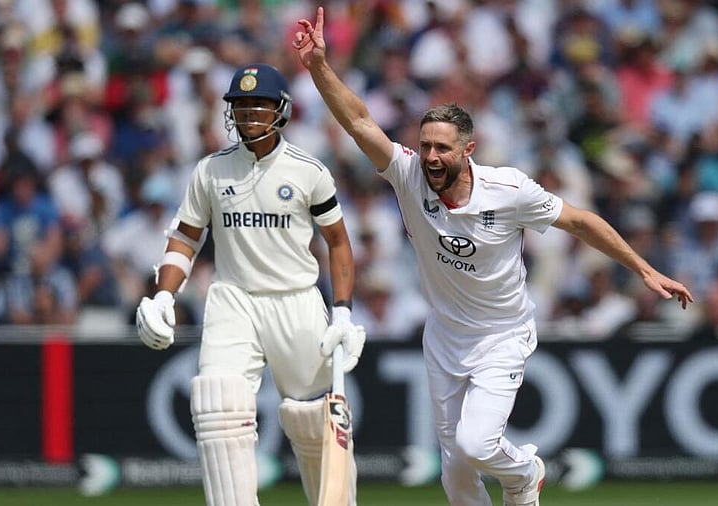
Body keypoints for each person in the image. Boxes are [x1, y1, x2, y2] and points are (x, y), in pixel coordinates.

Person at [293, 7, 694, 506]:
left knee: (476, 445)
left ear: (468, 149)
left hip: (502, 335)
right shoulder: (407, 174)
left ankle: (524, 473)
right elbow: (358, 121)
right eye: (425, 146)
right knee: (456, 476)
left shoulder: (509, 190)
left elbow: (580, 222)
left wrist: (645, 269)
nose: (431, 157)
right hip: (444, 336)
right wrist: (319, 67)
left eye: (443, 148)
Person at [134, 62, 365, 506]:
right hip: (232, 299)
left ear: (281, 109)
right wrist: (164, 295)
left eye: (259, 104)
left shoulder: (309, 171)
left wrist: (342, 312)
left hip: (295, 300)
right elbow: (186, 236)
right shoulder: (211, 170)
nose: (248, 113)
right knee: (217, 405)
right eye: (240, 105)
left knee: (311, 418)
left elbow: (338, 242)